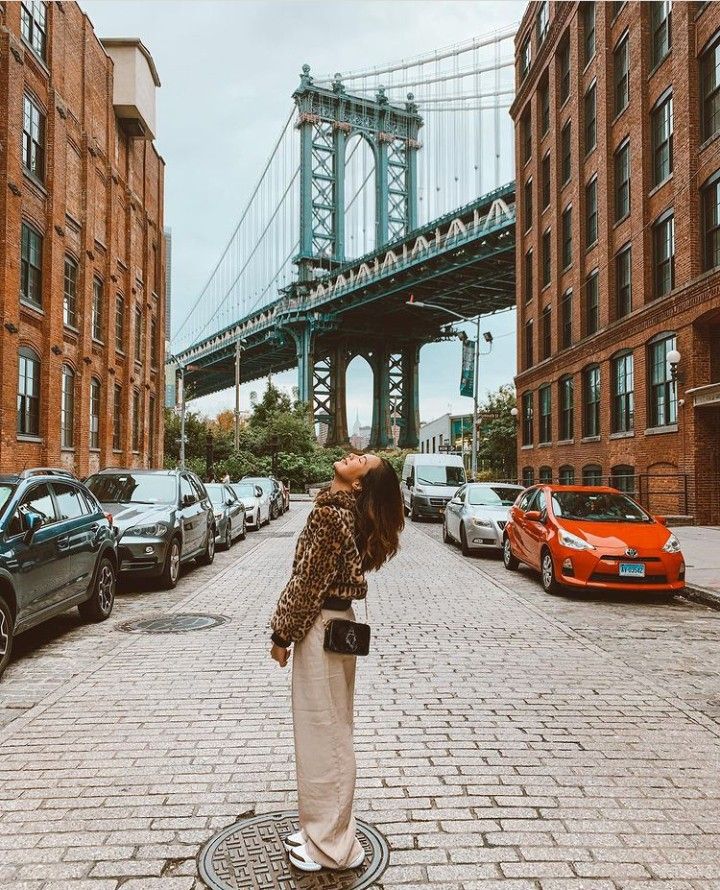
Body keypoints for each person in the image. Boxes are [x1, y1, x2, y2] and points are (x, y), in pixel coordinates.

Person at [269, 452, 404, 872]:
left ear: (358, 484)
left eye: (360, 460)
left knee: (323, 735)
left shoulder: (331, 518)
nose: (351, 454)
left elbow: (308, 582)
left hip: (320, 625)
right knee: (330, 728)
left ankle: (331, 846)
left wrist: (281, 634)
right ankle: (323, 829)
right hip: (337, 624)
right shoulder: (345, 514)